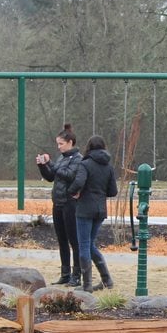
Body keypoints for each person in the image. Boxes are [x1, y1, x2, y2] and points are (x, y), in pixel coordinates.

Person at [68, 135, 118, 292]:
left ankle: (87, 285)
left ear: (89, 147)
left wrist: (72, 192)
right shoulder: (108, 167)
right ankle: (106, 280)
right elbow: (113, 191)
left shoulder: (85, 164)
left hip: (84, 209)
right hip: (100, 211)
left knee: (83, 244)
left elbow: (78, 182)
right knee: (89, 244)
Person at [37, 124, 83, 286]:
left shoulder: (78, 159)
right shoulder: (62, 158)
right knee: (61, 240)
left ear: (70, 142)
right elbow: (52, 177)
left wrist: (52, 165)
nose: (59, 147)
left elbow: (69, 175)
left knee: (74, 240)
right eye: (57, 144)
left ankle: (77, 275)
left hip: (71, 204)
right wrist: (43, 165)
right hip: (58, 203)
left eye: (61, 144)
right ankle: (65, 273)